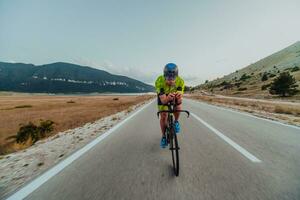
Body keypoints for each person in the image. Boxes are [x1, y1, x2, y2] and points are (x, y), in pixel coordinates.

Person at [155, 63, 185, 148]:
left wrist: (178, 97)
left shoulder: (180, 81)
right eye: (168, 78)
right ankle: (163, 136)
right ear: (164, 76)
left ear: (176, 76)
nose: (171, 80)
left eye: (173, 78)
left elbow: (179, 98)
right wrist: (167, 98)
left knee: (178, 102)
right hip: (163, 96)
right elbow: (163, 100)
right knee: (164, 115)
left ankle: (176, 121)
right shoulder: (159, 81)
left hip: (174, 93)